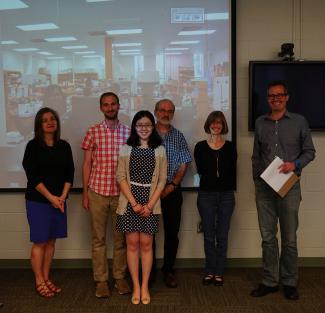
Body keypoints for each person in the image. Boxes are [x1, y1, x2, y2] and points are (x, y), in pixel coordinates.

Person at [251, 80, 316, 300]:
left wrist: (294, 164)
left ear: (287, 97)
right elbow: (256, 156)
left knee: (289, 238)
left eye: (279, 95)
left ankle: (289, 281)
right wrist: (257, 182)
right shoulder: (260, 122)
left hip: (289, 186)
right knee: (268, 237)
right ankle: (270, 281)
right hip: (265, 189)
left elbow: (309, 152)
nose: (275, 99)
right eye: (271, 96)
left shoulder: (299, 121)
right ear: (268, 98)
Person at [81, 92, 131, 298]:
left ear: (119, 106)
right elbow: (87, 164)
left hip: (122, 195)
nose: (110, 108)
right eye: (106, 105)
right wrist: (85, 193)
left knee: (120, 240)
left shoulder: (129, 133)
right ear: (101, 108)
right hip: (97, 193)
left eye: (113, 104)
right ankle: (101, 281)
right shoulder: (92, 131)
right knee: (98, 240)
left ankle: (119, 278)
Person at [22, 107, 74, 298]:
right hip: (38, 202)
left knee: (51, 242)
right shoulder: (32, 146)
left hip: (59, 201)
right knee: (40, 242)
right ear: (39, 125)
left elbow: (70, 173)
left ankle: (46, 277)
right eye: (45, 120)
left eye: (53, 118)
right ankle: (39, 281)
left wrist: (62, 196)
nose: (50, 122)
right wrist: (52, 198)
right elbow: (33, 177)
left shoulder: (64, 146)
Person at [116, 110, 167, 304]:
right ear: (134, 128)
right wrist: (135, 203)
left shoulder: (160, 150)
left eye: (147, 125)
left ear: (152, 127)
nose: (144, 128)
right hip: (130, 202)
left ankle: (145, 286)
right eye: (140, 125)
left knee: (146, 245)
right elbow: (120, 177)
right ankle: (135, 286)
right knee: (132, 245)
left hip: (151, 203)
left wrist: (150, 205)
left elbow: (162, 180)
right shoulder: (125, 149)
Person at [194, 111, 237, 287]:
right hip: (206, 195)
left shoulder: (230, 147)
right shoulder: (200, 147)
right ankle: (210, 270)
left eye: (219, 123)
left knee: (222, 234)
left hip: (226, 195)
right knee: (209, 236)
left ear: (223, 125)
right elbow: (201, 171)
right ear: (208, 124)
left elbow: (231, 170)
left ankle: (219, 272)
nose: (216, 125)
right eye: (213, 122)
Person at [153, 99, 192, 288]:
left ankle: (168, 270)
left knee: (171, 233)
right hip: (149, 193)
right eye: (162, 110)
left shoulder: (179, 136)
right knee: (147, 234)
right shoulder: (145, 134)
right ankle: (148, 270)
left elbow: (184, 163)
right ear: (155, 112)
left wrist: (172, 185)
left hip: (172, 190)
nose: (166, 114)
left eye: (170, 111)